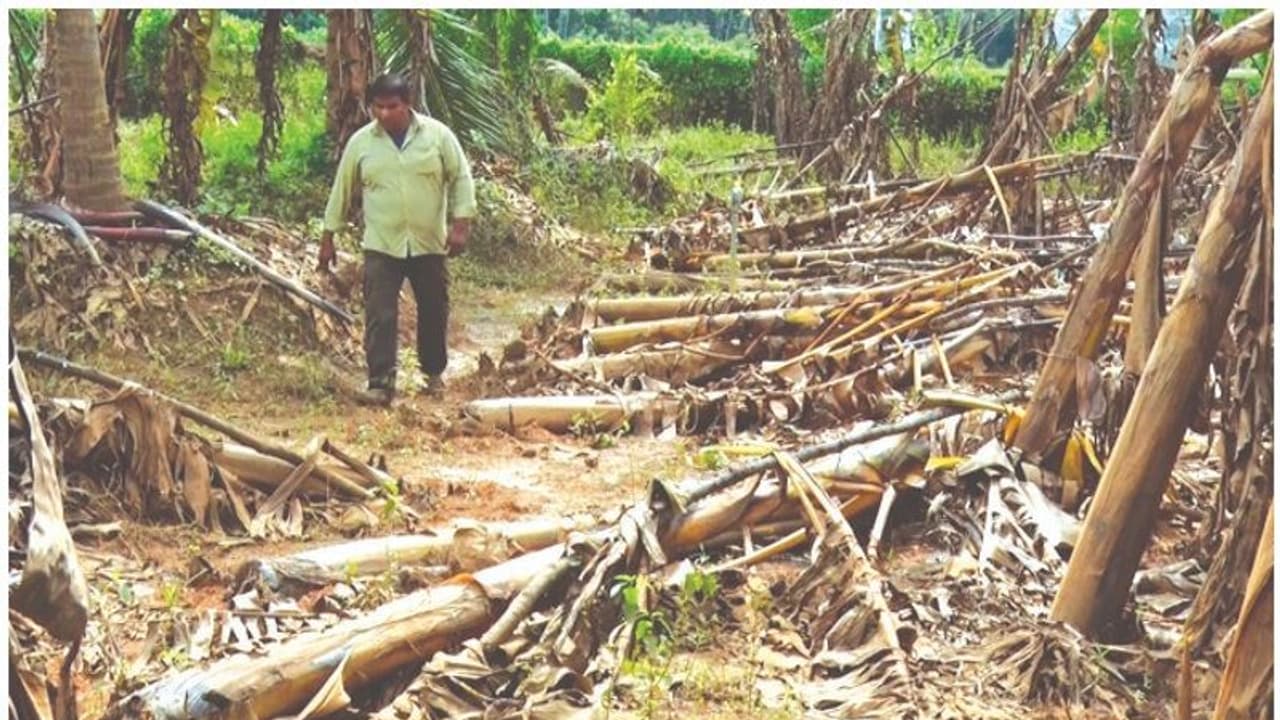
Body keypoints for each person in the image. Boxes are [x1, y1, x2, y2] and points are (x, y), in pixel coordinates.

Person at [319, 73, 476, 406]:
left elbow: (460, 178)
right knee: (380, 313)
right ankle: (380, 382)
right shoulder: (361, 143)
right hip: (382, 243)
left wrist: (461, 225)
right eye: (378, 107)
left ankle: (433, 373)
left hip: (428, 243)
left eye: (392, 107)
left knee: (433, 308)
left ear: (407, 105)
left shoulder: (437, 136)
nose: (384, 114)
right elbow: (341, 190)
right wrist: (327, 237)